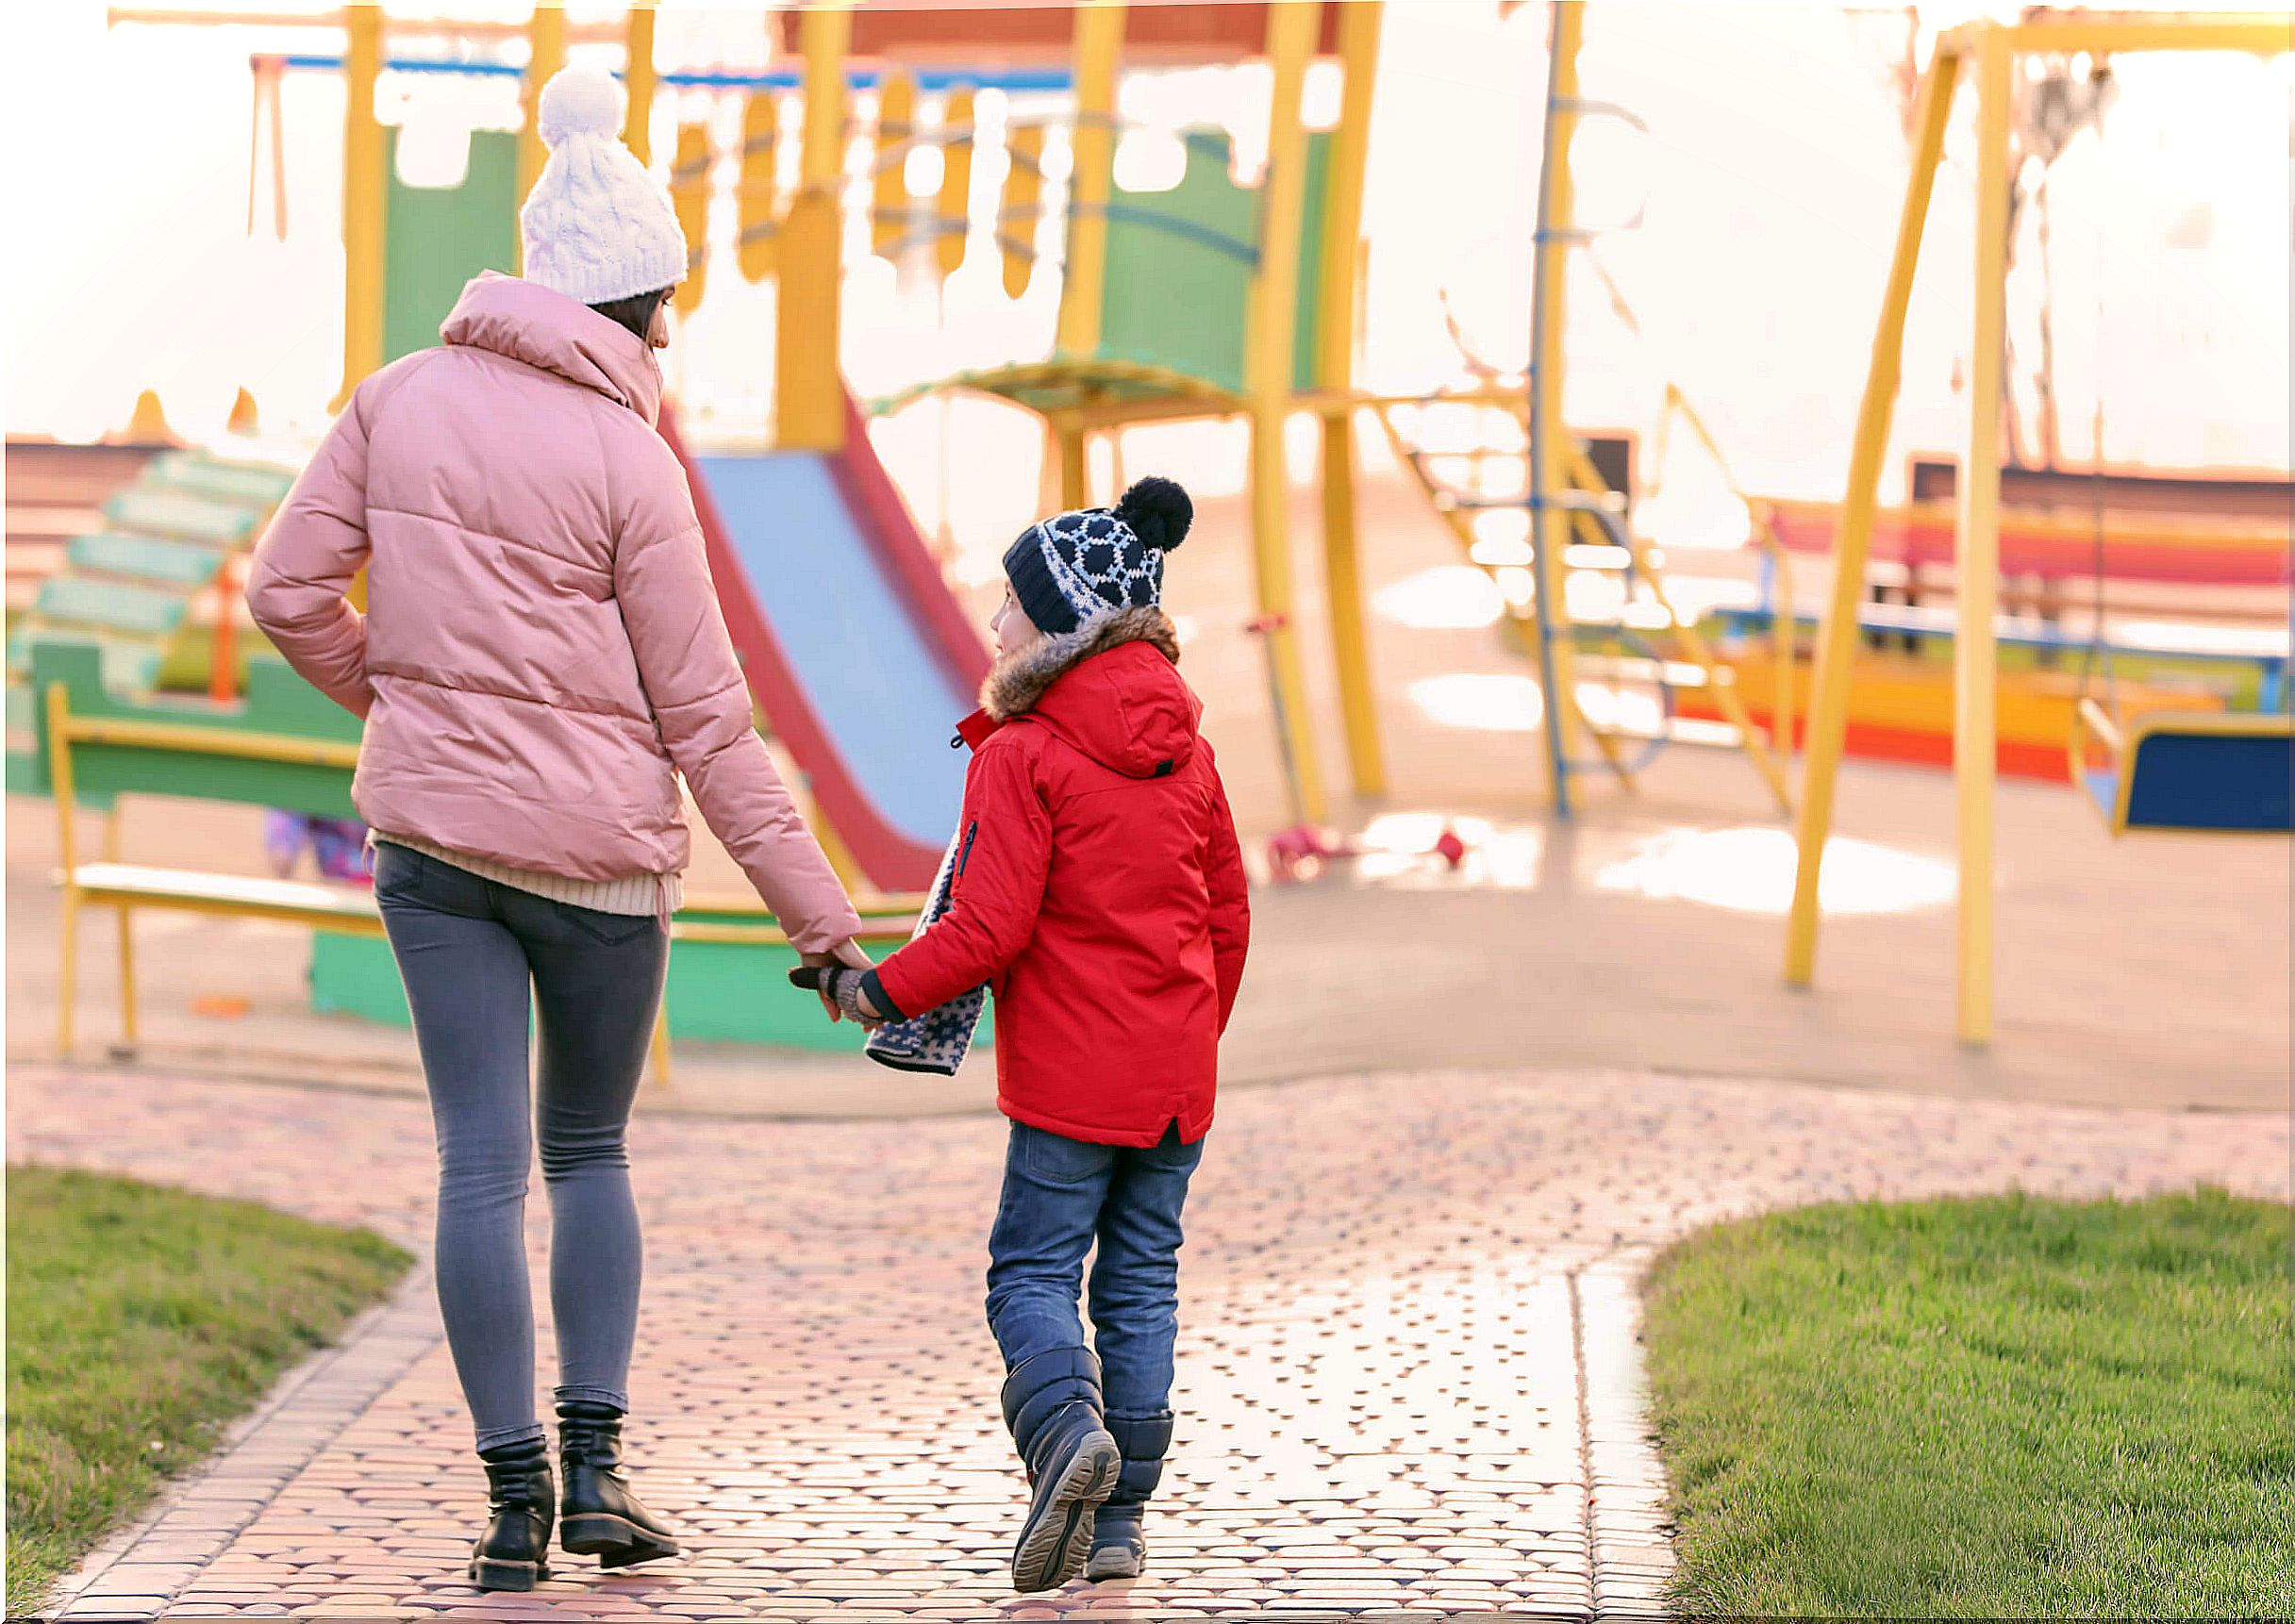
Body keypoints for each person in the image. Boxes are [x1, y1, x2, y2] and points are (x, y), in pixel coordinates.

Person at [247, 66, 871, 1594]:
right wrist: (826, 925)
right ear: (642, 302)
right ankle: (597, 1472)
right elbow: (708, 727)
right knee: (584, 1151)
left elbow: (283, 591)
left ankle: (510, 1503)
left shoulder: (396, 398)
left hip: (434, 858)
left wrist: (397, 704)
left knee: (476, 1165)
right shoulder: (634, 466)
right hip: (598, 871)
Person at [798, 477, 1250, 1591]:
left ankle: (1062, 1441)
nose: (994, 619)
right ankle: (1120, 1525)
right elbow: (1227, 917)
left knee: (1032, 1273)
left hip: (1068, 1085)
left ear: (1060, 622)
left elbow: (989, 926)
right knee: (1141, 1280)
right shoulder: (1189, 750)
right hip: (1174, 1081)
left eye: (1010, 599)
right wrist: (1187, 1031)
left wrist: (875, 993)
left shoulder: (1025, 751)